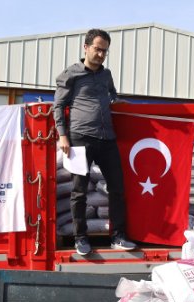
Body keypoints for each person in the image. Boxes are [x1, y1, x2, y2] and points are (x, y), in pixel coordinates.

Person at [54, 28, 136, 256]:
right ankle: (80, 238)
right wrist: (62, 135)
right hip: (80, 138)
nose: (101, 55)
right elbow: (58, 106)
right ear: (86, 47)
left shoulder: (106, 75)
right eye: (97, 49)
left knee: (117, 188)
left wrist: (119, 102)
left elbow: (112, 95)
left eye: (104, 51)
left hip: (107, 138)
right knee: (79, 191)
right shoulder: (70, 74)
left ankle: (118, 236)